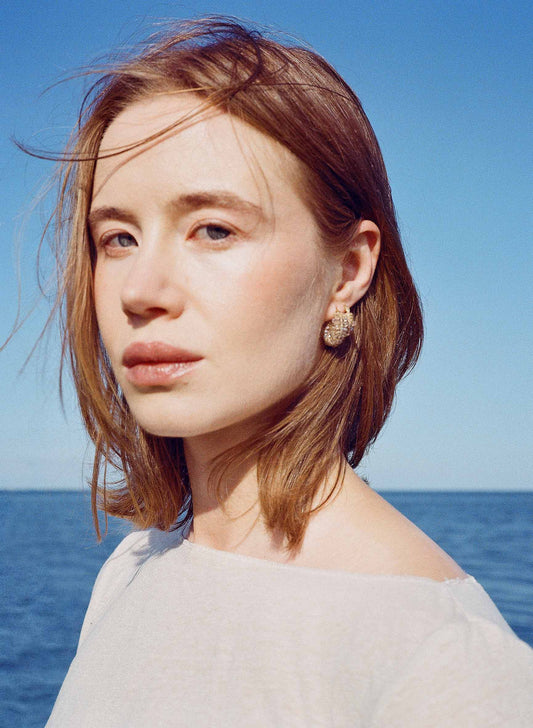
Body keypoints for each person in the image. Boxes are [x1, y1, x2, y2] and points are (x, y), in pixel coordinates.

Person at [41, 17, 532, 727]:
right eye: (117, 238)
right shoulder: (131, 572)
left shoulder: (445, 667)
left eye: (214, 229)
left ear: (348, 271)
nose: (139, 290)